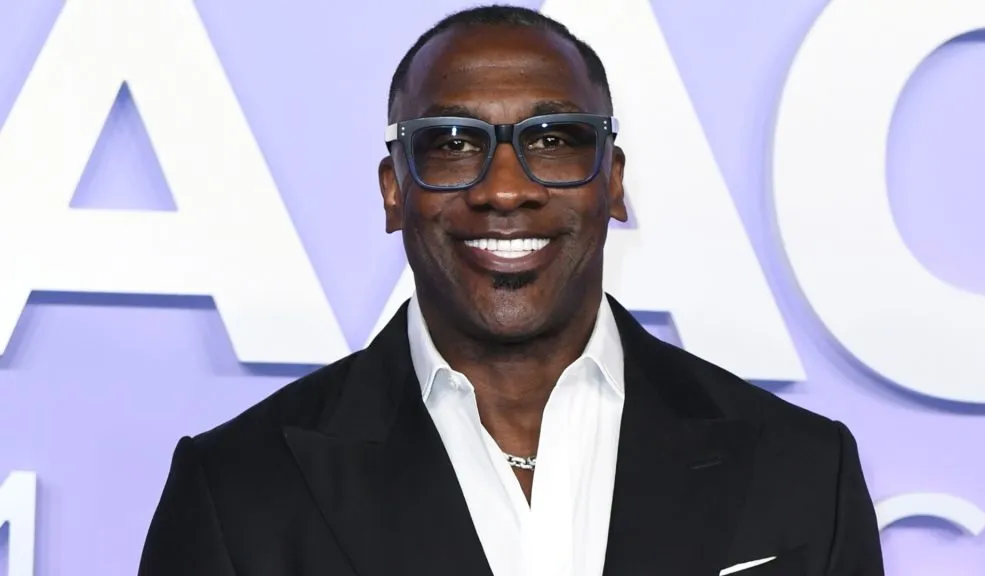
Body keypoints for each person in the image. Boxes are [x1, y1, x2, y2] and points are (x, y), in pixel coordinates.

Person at [138, 5, 884, 576]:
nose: (504, 189)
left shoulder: (805, 471)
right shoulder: (237, 490)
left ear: (613, 183)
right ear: (394, 192)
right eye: (453, 144)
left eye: (554, 140)